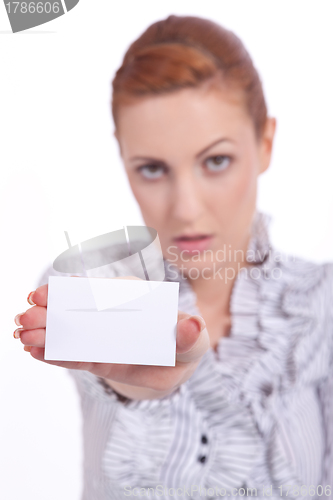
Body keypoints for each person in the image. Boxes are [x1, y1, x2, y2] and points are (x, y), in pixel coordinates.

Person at [13, 14, 333, 499]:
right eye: (152, 169)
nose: (185, 208)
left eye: (216, 160)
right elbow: (129, 380)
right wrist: (144, 380)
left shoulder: (320, 301)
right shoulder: (90, 285)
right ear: (124, 160)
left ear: (265, 144)